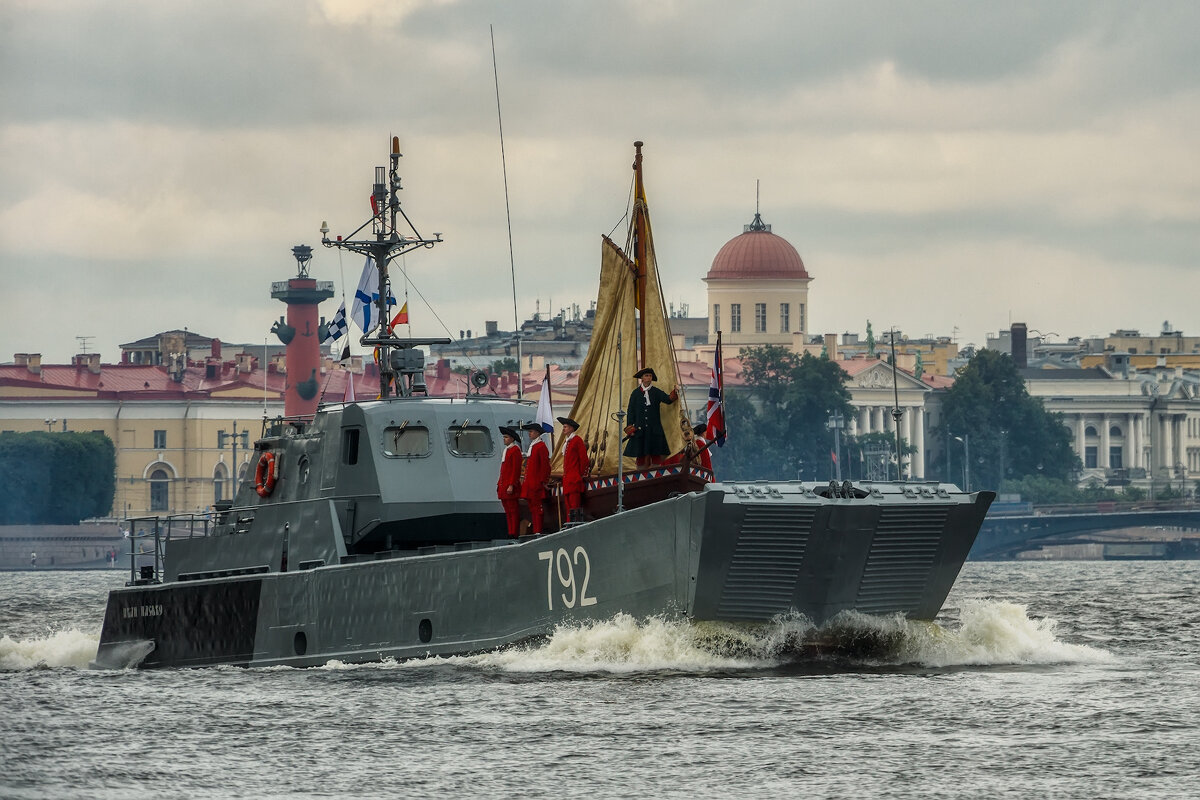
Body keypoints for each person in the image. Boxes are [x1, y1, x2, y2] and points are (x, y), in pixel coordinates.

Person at [623, 367, 678, 467]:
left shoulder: (656, 392)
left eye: (650, 376)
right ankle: (639, 477)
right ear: (642, 378)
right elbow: (631, 411)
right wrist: (630, 426)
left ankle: (655, 474)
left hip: (654, 429)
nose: (648, 378)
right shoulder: (635, 393)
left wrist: (675, 392)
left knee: (656, 454)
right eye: (646, 376)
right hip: (640, 429)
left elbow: (668, 399)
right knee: (640, 455)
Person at [558, 417, 589, 523]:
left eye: (565, 427)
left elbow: (584, 459)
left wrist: (579, 475)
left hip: (574, 479)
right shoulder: (568, 442)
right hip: (568, 480)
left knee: (574, 506)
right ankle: (569, 524)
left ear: (571, 428)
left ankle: (574, 524)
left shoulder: (577, 440)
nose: (563, 429)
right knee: (569, 506)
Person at [522, 422, 550, 535]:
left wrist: (543, 481)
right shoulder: (534, 446)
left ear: (537, 433)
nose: (529, 433)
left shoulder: (541, 447)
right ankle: (535, 531)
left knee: (537, 509)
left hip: (536, 484)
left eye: (531, 431)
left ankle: (538, 531)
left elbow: (545, 466)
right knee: (533, 509)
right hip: (530, 484)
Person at [496, 426, 523, 537]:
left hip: (509, 486)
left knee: (513, 510)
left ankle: (514, 532)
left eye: (506, 437)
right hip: (504, 486)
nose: (504, 439)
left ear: (512, 439)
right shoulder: (507, 451)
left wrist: (511, 484)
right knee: (508, 511)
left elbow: (515, 470)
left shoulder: (515, 450)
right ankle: (510, 531)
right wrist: (499, 483)